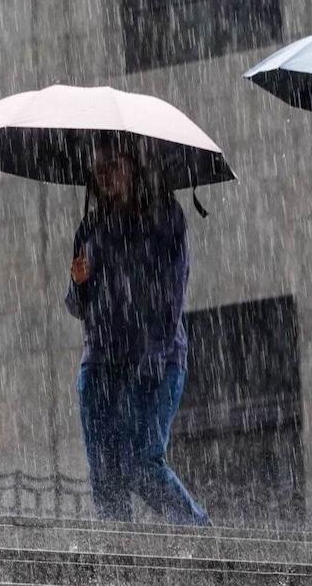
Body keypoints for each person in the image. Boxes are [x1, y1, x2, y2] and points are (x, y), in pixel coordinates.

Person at [64, 141, 209, 525]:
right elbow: (76, 306)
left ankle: (201, 534)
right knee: (105, 473)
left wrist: (152, 360)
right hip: (100, 363)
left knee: (140, 461)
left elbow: (172, 294)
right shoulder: (91, 227)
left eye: (112, 165)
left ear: (133, 166)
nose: (105, 175)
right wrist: (79, 282)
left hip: (153, 358)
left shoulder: (164, 217)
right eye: (98, 169)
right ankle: (122, 561)